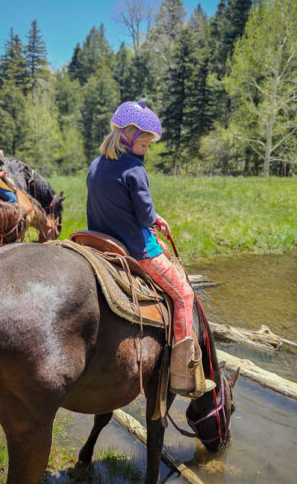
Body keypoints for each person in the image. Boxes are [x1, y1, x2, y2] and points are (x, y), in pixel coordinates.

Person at [86, 98, 214, 398]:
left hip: (101, 242)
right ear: (129, 137)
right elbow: (143, 216)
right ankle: (183, 372)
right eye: (144, 144)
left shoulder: (97, 163)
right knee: (184, 294)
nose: (146, 150)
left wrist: (155, 217)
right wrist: (154, 219)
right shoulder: (134, 168)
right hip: (135, 249)